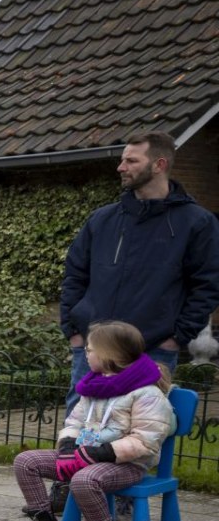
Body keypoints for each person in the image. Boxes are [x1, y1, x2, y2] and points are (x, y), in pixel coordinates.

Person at [61, 131, 219, 399]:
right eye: (123, 160)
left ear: (159, 165)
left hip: (153, 350)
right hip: (94, 349)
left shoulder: (197, 223)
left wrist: (177, 338)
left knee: (143, 422)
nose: (121, 167)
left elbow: (208, 285)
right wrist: (73, 330)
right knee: (80, 422)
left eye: (131, 161)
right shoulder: (102, 219)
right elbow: (74, 274)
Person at [14, 320, 173, 521]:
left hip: (127, 464)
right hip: (84, 455)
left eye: (90, 350)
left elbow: (145, 441)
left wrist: (100, 453)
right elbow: (74, 422)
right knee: (26, 462)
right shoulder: (94, 385)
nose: (85, 354)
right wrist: (68, 448)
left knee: (84, 479)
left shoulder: (147, 394)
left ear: (110, 354)